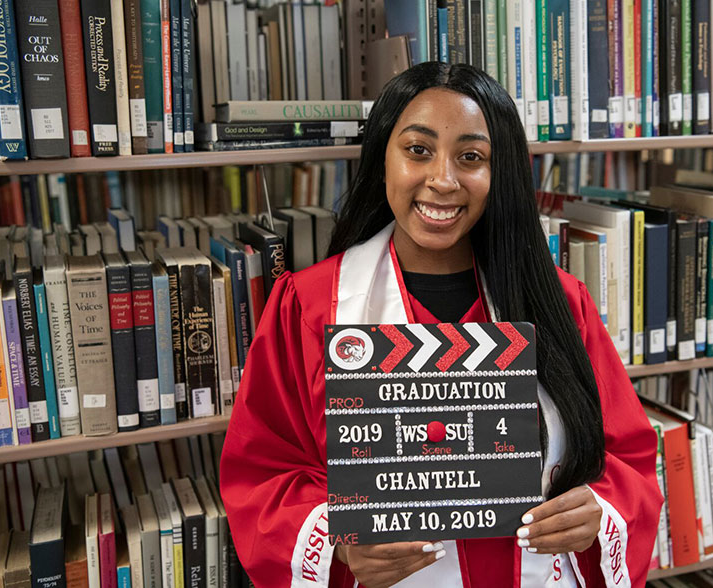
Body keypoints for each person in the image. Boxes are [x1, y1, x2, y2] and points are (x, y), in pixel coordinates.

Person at [220, 62, 662, 588]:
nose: (443, 180)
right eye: (418, 150)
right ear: (382, 156)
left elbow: (627, 457)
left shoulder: (561, 304)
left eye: (471, 157)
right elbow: (262, 474)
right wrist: (337, 540)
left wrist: (598, 512)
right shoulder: (311, 307)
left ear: (500, 175)